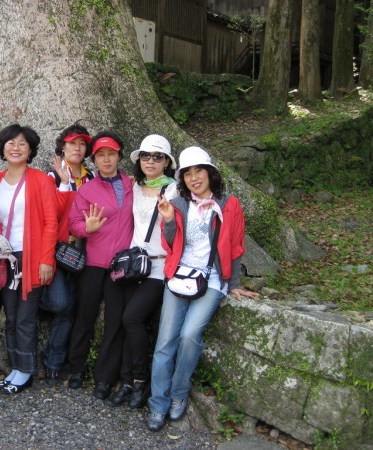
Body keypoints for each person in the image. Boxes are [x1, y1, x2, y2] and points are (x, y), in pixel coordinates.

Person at [146, 146, 258, 431]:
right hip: (179, 275)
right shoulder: (178, 203)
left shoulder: (229, 204)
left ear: (210, 173)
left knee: (189, 335)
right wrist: (168, 220)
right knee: (165, 342)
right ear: (182, 179)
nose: (194, 178)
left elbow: (235, 245)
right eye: (188, 174)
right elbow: (170, 243)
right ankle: (157, 403)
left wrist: (234, 284)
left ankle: (179, 393)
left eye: (199, 171)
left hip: (212, 279)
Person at [105, 134, 178, 409]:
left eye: (158, 157)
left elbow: (178, 231)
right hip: (133, 265)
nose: (151, 161)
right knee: (127, 322)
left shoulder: (175, 190)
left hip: (158, 265)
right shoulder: (135, 186)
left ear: (167, 162)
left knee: (132, 318)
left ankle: (140, 380)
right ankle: (126, 382)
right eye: (146, 156)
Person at [0, 123, 58, 395]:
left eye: (22, 144)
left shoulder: (41, 180)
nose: (16, 148)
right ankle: (14, 367)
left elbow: (51, 222)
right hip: (5, 258)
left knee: (25, 316)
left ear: (30, 150)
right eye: (11, 143)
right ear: (3, 148)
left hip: (30, 255)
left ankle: (26, 371)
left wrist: (46, 260)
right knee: (10, 315)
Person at [66, 131, 134, 401]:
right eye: (101, 155)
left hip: (121, 265)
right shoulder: (87, 189)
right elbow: (74, 224)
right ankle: (76, 369)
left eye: (111, 154)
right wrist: (87, 228)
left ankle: (104, 378)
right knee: (84, 316)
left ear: (119, 156)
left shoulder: (132, 185)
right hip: (93, 263)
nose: (106, 159)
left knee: (114, 322)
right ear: (94, 159)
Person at [41, 122, 94, 387]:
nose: (77, 148)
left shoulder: (91, 177)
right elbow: (47, 214)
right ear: (62, 146)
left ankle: (54, 363)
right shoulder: (51, 176)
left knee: (71, 310)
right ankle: (37, 300)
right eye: (72, 143)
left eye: (82, 144)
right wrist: (64, 184)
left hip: (82, 251)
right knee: (61, 304)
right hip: (57, 249)